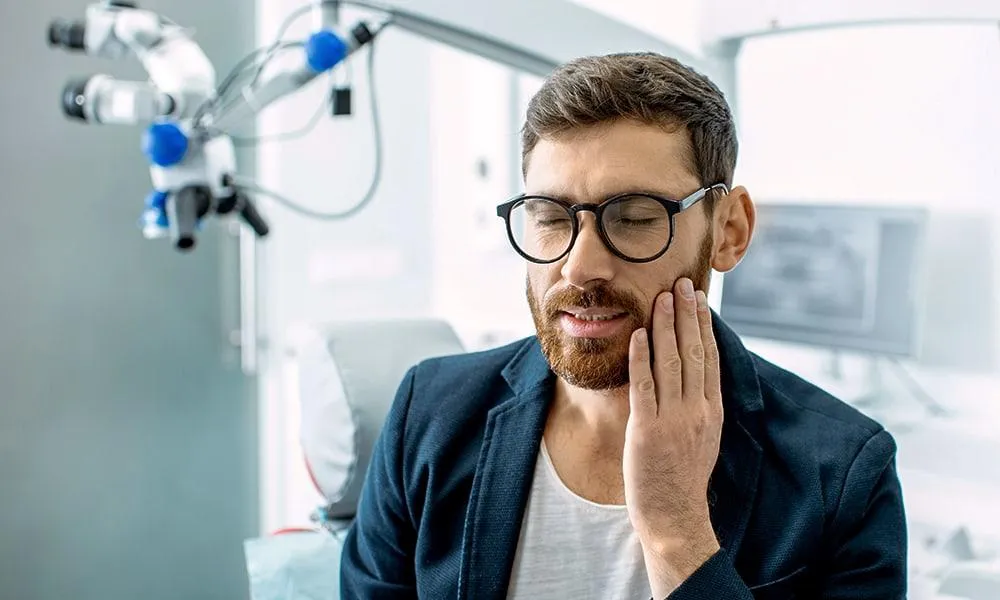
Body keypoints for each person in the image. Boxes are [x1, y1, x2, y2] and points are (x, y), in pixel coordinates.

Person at [339, 51, 907, 599]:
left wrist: (677, 533)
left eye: (634, 218)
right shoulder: (428, 414)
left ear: (729, 230)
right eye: (550, 216)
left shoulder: (844, 473)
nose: (580, 265)